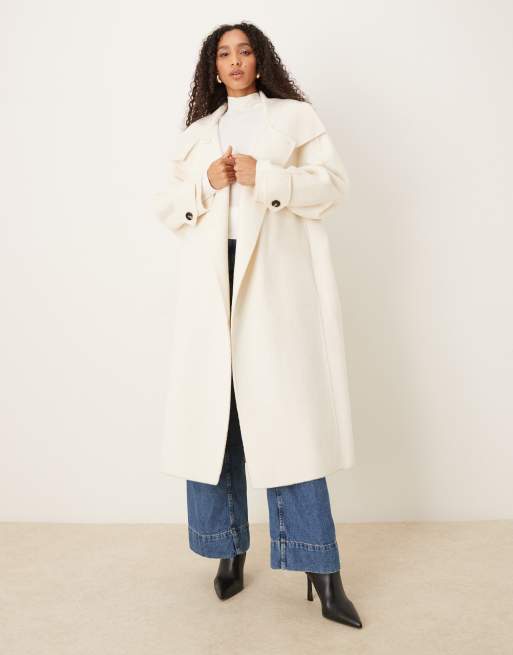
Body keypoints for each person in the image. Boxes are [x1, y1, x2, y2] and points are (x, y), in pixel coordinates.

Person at [155, 22, 362, 629]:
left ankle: (322, 569)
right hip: (209, 285)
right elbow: (167, 207)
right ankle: (228, 550)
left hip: (273, 281)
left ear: (260, 60)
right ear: (213, 67)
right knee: (218, 420)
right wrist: (207, 182)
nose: (235, 61)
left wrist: (263, 176)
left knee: (287, 421)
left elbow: (332, 188)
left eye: (244, 51)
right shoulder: (197, 134)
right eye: (224, 53)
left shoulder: (295, 118)